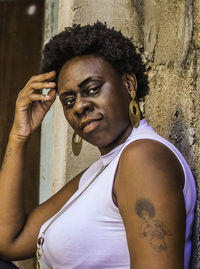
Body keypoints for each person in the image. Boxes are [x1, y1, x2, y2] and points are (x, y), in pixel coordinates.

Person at [0, 22, 196, 269]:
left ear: (129, 84)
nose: (80, 106)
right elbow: (9, 241)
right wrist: (19, 136)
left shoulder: (142, 158)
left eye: (92, 89)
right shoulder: (101, 171)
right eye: (69, 101)